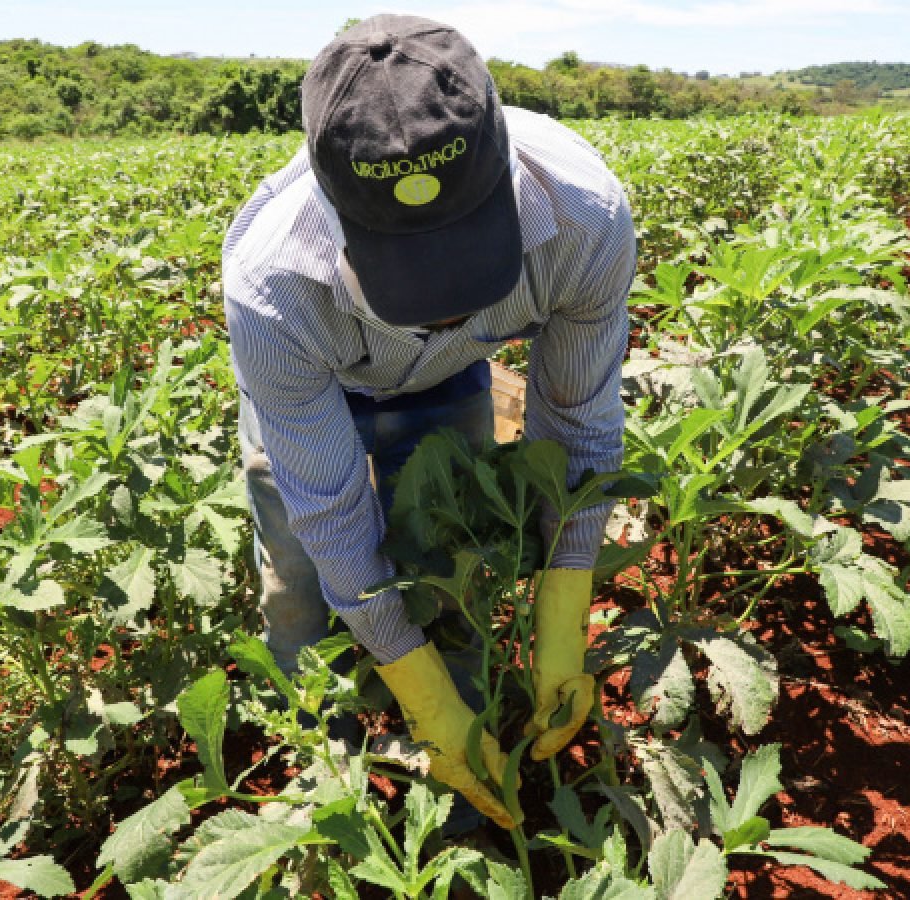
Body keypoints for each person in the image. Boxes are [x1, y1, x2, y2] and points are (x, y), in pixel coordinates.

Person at [222, 14, 635, 831]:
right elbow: (333, 513)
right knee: (303, 584)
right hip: (316, 382)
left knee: (455, 574)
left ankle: (468, 780)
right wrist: (413, 683)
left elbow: (579, 426)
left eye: (464, 257)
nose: (446, 309)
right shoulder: (273, 285)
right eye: (413, 271)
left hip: (450, 390)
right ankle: (327, 771)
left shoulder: (584, 219)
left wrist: (564, 599)